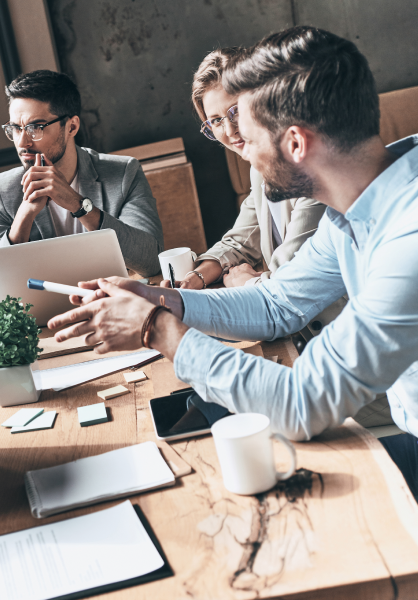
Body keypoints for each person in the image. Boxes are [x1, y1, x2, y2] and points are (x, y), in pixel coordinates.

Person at [48, 26, 418, 498]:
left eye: (248, 130)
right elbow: (277, 302)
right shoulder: (361, 203)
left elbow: (301, 402)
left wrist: (157, 329)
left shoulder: (408, 239)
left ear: (296, 143)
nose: (243, 148)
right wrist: (159, 298)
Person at [165, 47, 326, 290]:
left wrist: (246, 282)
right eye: (217, 120)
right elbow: (240, 242)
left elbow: (292, 280)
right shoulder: (260, 170)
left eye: (236, 111)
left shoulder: (313, 168)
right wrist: (193, 279)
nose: (230, 131)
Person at [0, 70, 164, 276]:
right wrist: (25, 215)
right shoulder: (1, 191)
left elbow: (151, 262)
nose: (22, 142)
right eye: (16, 128)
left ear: (72, 126)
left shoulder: (123, 174)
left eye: (35, 127)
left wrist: (79, 205)